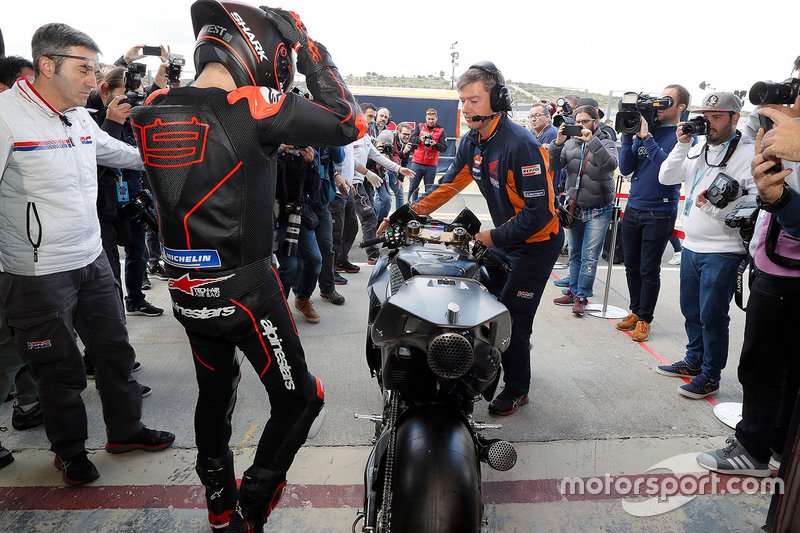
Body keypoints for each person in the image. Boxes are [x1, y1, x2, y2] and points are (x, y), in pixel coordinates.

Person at [129, 2, 363, 531]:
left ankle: (217, 506)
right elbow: (350, 123)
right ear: (262, 52)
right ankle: (249, 513)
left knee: (215, 393)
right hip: (247, 292)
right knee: (303, 399)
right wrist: (309, 50)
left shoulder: (152, 106)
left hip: (187, 292)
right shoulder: (253, 107)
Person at [0, 23, 174, 487]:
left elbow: (123, 154)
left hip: (92, 260)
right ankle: (70, 452)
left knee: (115, 351)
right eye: (84, 69)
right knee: (60, 370)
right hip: (36, 273)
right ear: (47, 65)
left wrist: (179, 154)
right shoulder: (4, 117)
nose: (93, 80)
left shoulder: (77, 118)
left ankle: (126, 431)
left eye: (96, 69)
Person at [413, 62, 562, 416]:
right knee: (489, 307)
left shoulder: (522, 145)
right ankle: (505, 357)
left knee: (511, 319)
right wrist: (409, 211)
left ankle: (517, 389)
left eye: (475, 100)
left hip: (537, 245)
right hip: (506, 241)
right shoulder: (472, 142)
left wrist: (491, 237)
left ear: (498, 99)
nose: (466, 108)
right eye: (463, 101)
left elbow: (539, 213)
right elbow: (448, 183)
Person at [697, 99, 800, 477]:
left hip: (787, 275)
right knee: (781, 369)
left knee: (762, 366)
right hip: (773, 266)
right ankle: (775, 444)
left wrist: (782, 199)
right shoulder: (785, 135)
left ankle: (752, 449)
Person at [656, 92, 755, 399]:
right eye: (705, 116)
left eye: (716, 117)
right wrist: (682, 143)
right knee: (692, 311)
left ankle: (711, 374)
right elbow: (666, 176)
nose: (708, 124)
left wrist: (717, 206)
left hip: (724, 250)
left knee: (712, 316)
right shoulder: (698, 148)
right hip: (693, 246)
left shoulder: (749, 154)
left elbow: (754, 205)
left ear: (734, 118)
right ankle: (694, 359)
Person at [616, 84, 690, 342]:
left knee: (649, 269)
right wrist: (628, 135)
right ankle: (635, 311)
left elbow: (668, 172)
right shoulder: (647, 130)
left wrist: (647, 139)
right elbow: (625, 168)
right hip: (634, 207)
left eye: (667, 100)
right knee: (631, 265)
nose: (660, 104)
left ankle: (645, 318)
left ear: (680, 107)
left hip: (660, 211)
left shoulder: (682, 137)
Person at [0, 54, 43, 469]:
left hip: (28, 261)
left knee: (30, 339)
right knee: (8, 347)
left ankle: (30, 405)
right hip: (7, 263)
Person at [549, 105, 618, 316]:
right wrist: (558, 142)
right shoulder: (570, 143)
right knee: (575, 254)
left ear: (595, 122)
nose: (581, 126)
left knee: (590, 256)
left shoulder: (605, 141)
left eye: (585, 121)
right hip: (574, 207)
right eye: (577, 122)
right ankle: (572, 291)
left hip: (599, 208)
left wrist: (592, 142)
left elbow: (610, 165)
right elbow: (553, 164)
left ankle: (582, 296)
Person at [407, 108, 447, 202]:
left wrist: (435, 144)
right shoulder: (420, 127)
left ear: (436, 118)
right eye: (428, 119)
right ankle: (410, 208)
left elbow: (444, 148)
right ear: (426, 118)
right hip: (416, 163)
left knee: (428, 190)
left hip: (431, 165)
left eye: (432, 119)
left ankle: (425, 211)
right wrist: (420, 139)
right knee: (413, 188)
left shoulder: (441, 130)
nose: (430, 121)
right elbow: (411, 140)